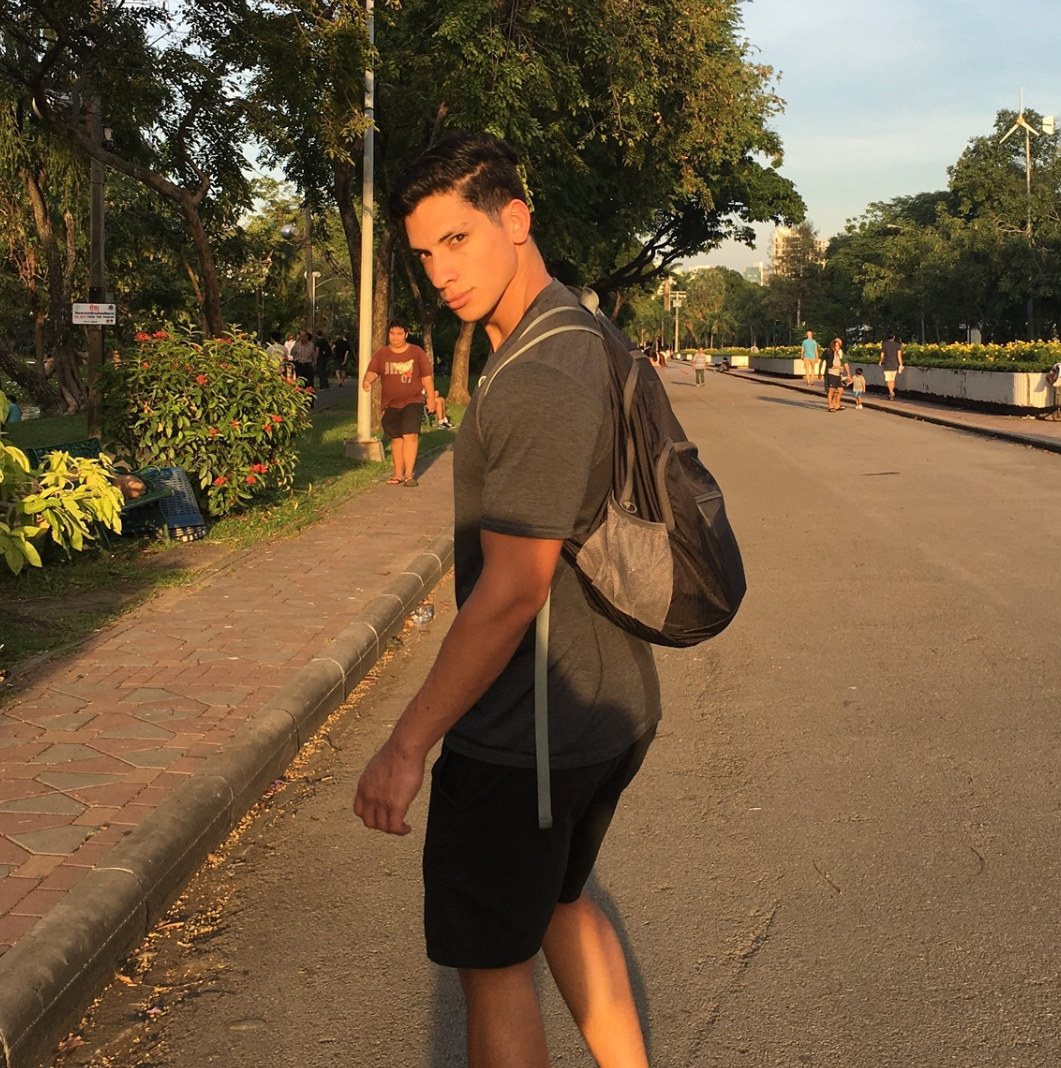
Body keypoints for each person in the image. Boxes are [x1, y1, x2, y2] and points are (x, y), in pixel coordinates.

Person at [353, 131, 661, 1068]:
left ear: (514, 220)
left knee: (492, 969)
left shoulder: (534, 375)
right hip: (608, 709)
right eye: (425, 253)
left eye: (459, 239)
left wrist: (406, 746)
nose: (442, 272)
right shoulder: (579, 329)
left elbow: (512, 590)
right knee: (564, 904)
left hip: (525, 735)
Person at [362, 320, 434, 486]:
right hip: (390, 403)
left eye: (399, 334)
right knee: (396, 438)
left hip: (413, 400)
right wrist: (367, 381)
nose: (395, 337)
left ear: (406, 334)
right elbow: (373, 371)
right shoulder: (382, 354)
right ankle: (398, 474)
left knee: (410, 434)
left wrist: (430, 398)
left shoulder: (416, 352)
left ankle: (409, 475)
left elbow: (427, 377)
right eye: (392, 334)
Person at [824, 337, 850, 411]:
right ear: (832, 347)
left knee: (840, 390)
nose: (837, 347)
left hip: (838, 375)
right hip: (831, 374)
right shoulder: (830, 354)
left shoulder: (839, 354)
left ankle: (837, 404)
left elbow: (844, 362)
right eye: (836, 346)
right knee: (831, 391)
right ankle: (830, 406)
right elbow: (830, 365)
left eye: (838, 346)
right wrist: (838, 367)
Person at [879, 332, 904, 400]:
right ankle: (892, 392)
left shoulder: (884, 344)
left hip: (887, 364)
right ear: (894, 337)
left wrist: (880, 361)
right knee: (892, 380)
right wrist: (901, 364)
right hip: (895, 364)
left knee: (888, 380)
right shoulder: (897, 345)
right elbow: (899, 356)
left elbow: (882, 354)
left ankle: (891, 391)